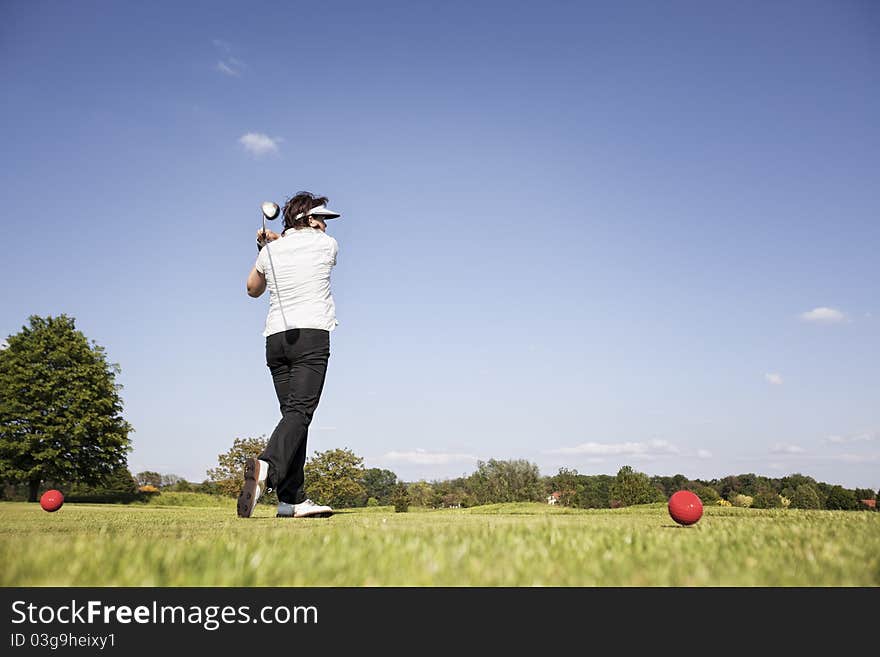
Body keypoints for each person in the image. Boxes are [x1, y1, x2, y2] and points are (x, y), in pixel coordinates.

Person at [238, 191, 341, 519]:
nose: (326, 225)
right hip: (310, 335)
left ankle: (292, 500)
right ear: (310, 220)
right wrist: (278, 241)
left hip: (276, 340)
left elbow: (253, 289)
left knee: (293, 418)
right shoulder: (328, 244)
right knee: (300, 413)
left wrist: (267, 248)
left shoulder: (270, 251)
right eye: (322, 218)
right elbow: (304, 245)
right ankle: (267, 465)